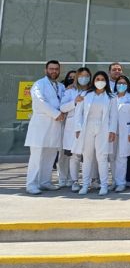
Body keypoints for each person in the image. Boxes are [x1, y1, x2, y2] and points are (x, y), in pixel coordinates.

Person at [24, 60, 66, 195]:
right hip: (41, 125)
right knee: (36, 156)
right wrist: (56, 113)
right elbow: (39, 101)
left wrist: (63, 112)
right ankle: (31, 184)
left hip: (56, 125)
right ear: (45, 70)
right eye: (51, 69)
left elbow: (64, 101)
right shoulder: (39, 84)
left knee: (50, 155)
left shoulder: (61, 86)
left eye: (56, 69)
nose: (54, 71)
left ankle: (45, 182)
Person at [73, 71, 118, 196]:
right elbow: (78, 113)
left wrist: (112, 130)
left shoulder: (111, 97)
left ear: (106, 81)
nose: (100, 81)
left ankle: (104, 185)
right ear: (93, 81)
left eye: (102, 79)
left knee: (102, 157)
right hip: (87, 128)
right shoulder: (85, 94)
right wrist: (77, 128)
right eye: (97, 78)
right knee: (87, 157)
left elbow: (114, 116)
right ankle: (85, 185)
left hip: (103, 128)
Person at [60, 67, 91, 192]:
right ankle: (75, 181)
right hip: (73, 127)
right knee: (75, 156)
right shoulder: (70, 91)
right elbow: (62, 108)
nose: (84, 78)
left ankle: (90, 180)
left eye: (86, 76)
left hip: (89, 126)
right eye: (81, 76)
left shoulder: (93, 91)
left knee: (89, 155)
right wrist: (74, 101)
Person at [112, 75, 130, 192]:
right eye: (119, 83)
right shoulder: (112, 97)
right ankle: (114, 181)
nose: (121, 85)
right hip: (112, 132)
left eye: (124, 83)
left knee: (122, 157)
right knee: (112, 157)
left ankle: (121, 182)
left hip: (126, 132)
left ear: (128, 85)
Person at [56, 69, 76, 188]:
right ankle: (62, 177)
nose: (72, 79)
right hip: (61, 124)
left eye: (75, 77)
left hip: (72, 125)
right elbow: (62, 107)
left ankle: (71, 177)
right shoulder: (64, 90)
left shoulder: (77, 91)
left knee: (72, 153)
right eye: (70, 77)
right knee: (62, 154)